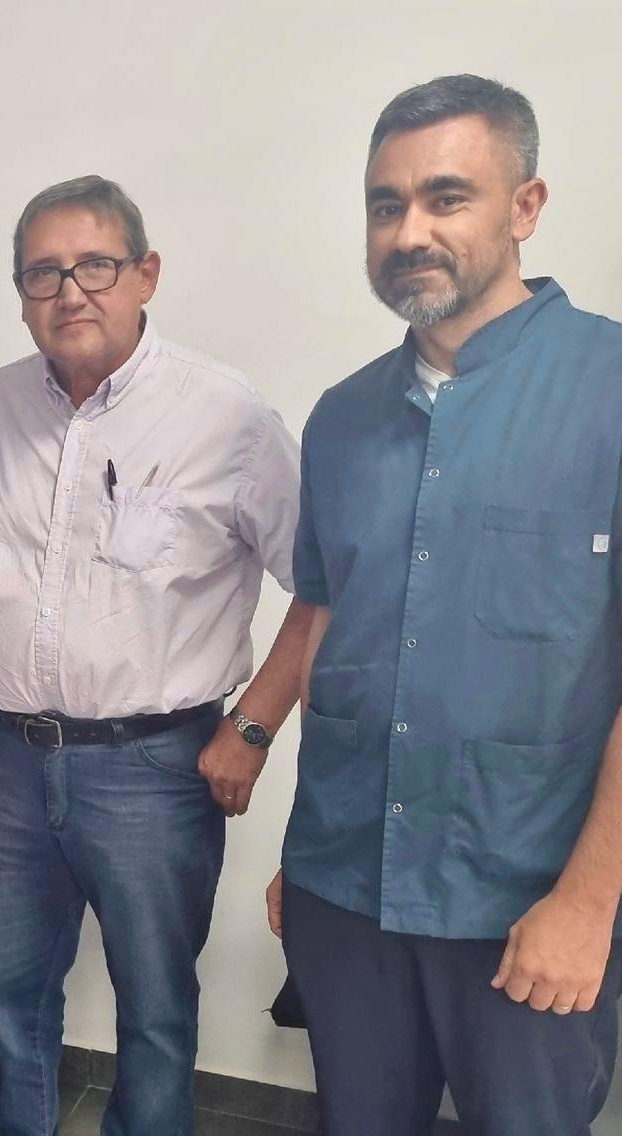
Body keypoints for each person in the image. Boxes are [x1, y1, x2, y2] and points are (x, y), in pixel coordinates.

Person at [268, 73, 622, 1136]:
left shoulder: (607, 389)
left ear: (525, 206)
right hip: (346, 891)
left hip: (526, 897)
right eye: (386, 205)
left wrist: (589, 900)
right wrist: (305, 858)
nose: (408, 230)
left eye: (446, 197)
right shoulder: (341, 419)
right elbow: (332, 634)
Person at [0, 175, 310, 1136]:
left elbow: (323, 585)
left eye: (94, 266)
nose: (70, 292)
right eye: (43, 273)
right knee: (7, 995)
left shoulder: (227, 417)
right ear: (21, 294)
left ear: (146, 274)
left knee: (155, 1010)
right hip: (11, 764)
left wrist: (253, 728)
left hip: (156, 768)